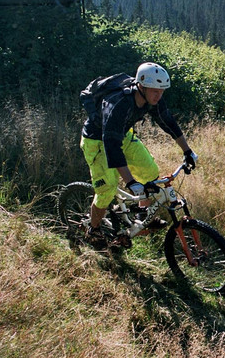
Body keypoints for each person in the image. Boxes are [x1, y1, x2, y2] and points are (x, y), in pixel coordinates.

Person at [79, 62, 197, 246]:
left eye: (162, 91)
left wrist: (187, 151)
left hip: (124, 136)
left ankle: (142, 218)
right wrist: (130, 182)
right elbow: (111, 145)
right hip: (98, 141)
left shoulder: (152, 98)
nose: (159, 95)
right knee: (107, 189)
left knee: (150, 172)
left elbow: (168, 122)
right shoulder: (118, 103)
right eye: (155, 91)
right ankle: (93, 229)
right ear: (141, 86)